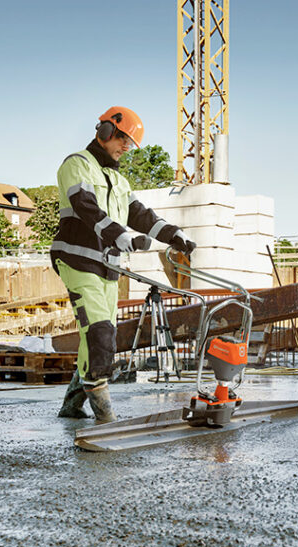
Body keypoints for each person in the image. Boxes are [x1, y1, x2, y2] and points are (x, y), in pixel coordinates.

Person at [51, 106, 195, 423]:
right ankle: (105, 415)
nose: (126, 148)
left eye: (130, 143)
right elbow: (87, 209)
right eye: (124, 140)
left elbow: (141, 215)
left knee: (102, 336)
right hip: (78, 259)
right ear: (105, 131)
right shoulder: (77, 165)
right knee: (99, 334)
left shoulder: (118, 180)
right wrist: (121, 237)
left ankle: (72, 405)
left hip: (108, 267)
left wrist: (174, 235)